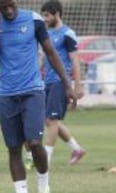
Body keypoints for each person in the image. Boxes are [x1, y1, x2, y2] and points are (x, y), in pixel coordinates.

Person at [0, 0, 76, 193]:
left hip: (33, 91)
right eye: (4, 8)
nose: (9, 11)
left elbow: (51, 52)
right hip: (6, 94)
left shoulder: (34, 20)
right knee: (14, 149)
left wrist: (68, 84)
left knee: (34, 143)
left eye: (11, 6)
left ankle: (43, 187)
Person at [41, 0, 86, 165]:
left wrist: (77, 85)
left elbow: (75, 60)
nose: (44, 19)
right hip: (48, 82)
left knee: (52, 121)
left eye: (47, 15)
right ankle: (77, 149)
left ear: (56, 14)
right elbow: (43, 57)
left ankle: (45, 161)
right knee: (50, 121)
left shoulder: (68, 34)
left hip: (61, 81)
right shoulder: (47, 34)